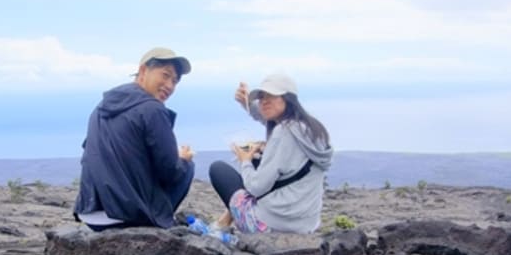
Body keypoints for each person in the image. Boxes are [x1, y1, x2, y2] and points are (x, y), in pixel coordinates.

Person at [74, 47, 195, 230]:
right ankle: (157, 225)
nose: (170, 85)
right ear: (143, 70)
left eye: (175, 81)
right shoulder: (153, 109)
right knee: (187, 168)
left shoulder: (102, 106)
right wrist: (183, 160)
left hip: (90, 212)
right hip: (124, 216)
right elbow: (170, 172)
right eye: (165, 75)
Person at [208, 73, 333, 234]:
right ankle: (223, 221)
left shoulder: (283, 132)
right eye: (261, 97)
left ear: (288, 99)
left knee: (219, 170)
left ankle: (222, 224)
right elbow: (271, 122)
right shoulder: (311, 129)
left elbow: (256, 188)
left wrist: (244, 160)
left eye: (271, 96)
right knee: (259, 158)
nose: (264, 101)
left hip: (268, 227)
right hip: (306, 226)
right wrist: (247, 104)